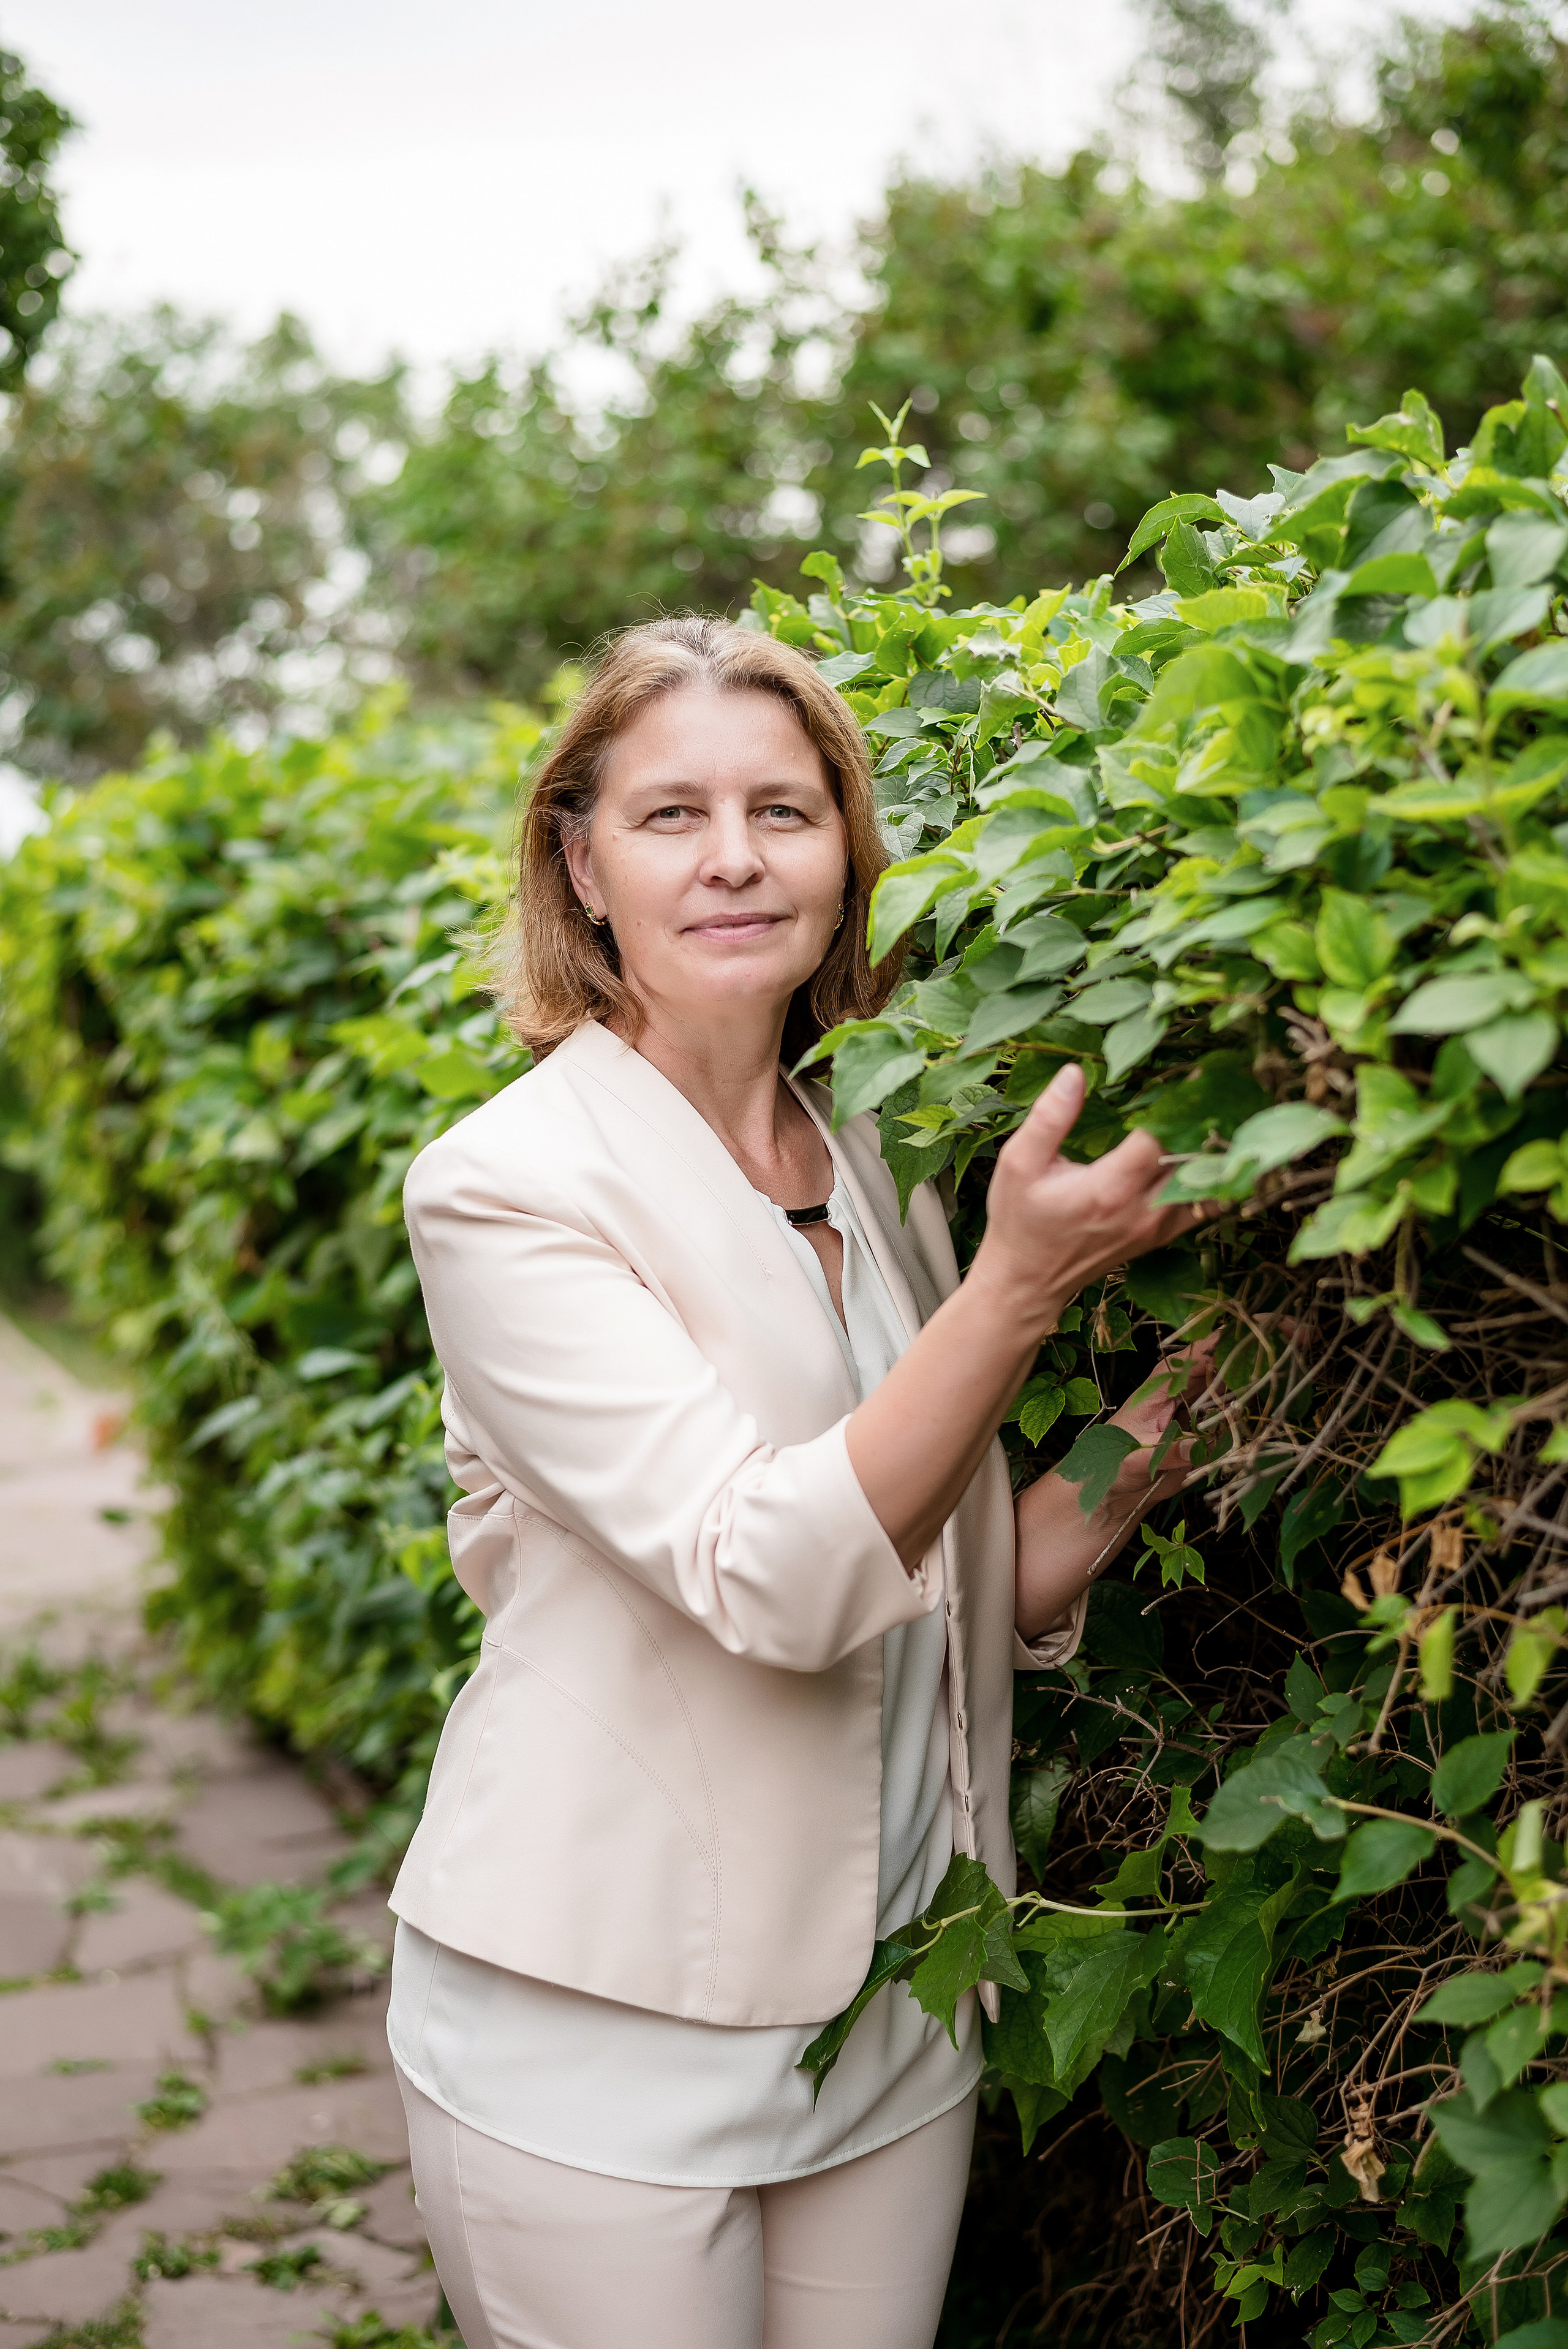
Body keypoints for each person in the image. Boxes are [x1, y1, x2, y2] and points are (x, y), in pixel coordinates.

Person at [385, 616, 1205, 2349]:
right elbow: (775, 1575)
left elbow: (978, 1578)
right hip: (603, 2023)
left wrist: (1215, 1399)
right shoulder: (510, 1186)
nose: (739, 856)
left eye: (787, 806)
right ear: (582, 862)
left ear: (849, 847)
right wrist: (1017, 1288)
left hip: (894, 2011)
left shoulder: (879, 1153)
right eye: (672, 813)